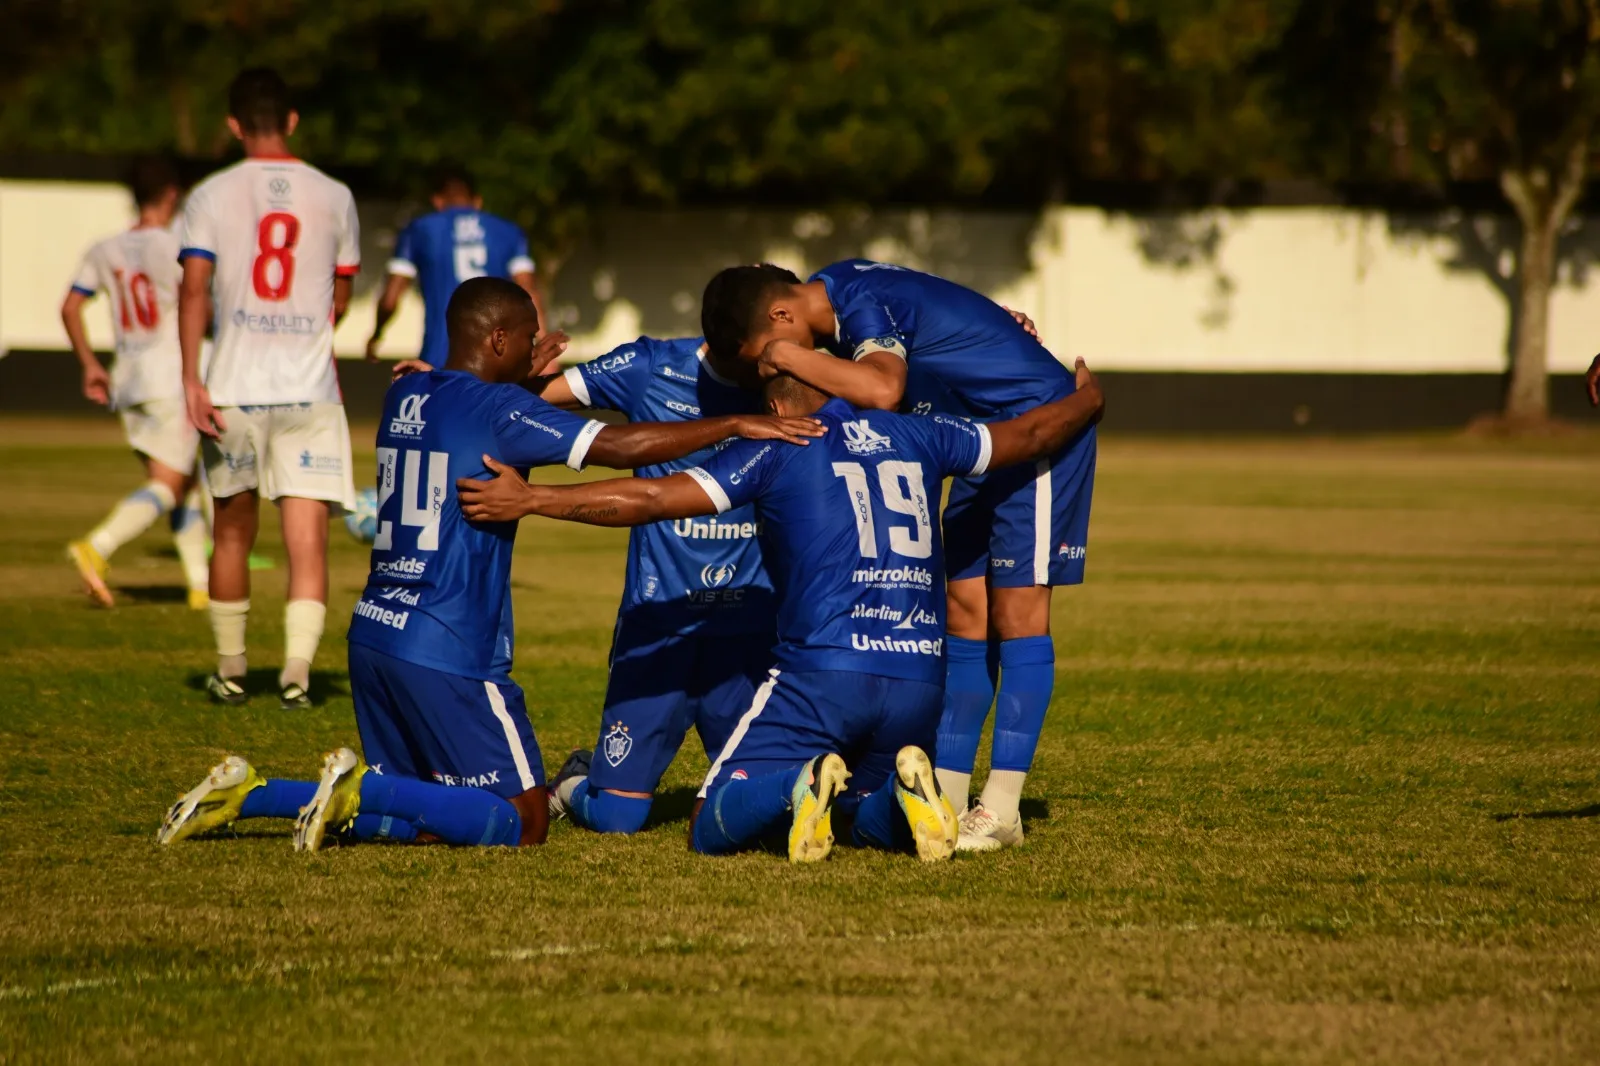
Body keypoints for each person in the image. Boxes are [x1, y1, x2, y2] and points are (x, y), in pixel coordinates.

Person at [157, 277, 825, 851]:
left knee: (425, 812)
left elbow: (484, 402)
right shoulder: (498, 407)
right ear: (501, 341)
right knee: (523, 821)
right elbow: (618, 447)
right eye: (529, 339)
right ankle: (338, 789)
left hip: (375, 634)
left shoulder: (407, 394)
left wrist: (527, 376)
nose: (539, 350)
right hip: (448, 644)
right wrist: (733, 427)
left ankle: (256, 794)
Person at [456, 359, 1103, 863]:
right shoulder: (919, 432)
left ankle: (798, 781)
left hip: (825, 675)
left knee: (711, 823)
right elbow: (1030, 433)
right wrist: (1087, 401)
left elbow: (651, 498)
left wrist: (535, 497)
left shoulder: (778, 443)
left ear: (771, 405)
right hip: (917, 680)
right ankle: (906, 795)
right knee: (858, 814)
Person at [700, 260, 1096, 851]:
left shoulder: (852, 299)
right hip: (977, 428)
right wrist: (999, 329)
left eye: (761, 355)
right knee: (964, 610)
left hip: (1039, 421)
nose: (767, 369)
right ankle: (951, 797)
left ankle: (1004, 808)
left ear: (783, 318)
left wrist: (784, 357)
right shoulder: (843, 308)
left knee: (1019, 614)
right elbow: (934, 319)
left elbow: (883, 389)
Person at [507, 335, 777, 835]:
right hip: (658, 631)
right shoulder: (650, 365)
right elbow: (534, 399)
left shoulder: (792, 381)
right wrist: (443, 381)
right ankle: (574, 779)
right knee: (617, 817)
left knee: (760, 808)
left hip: (752, 636)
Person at [178, 67, 361, 710]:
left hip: (232, 389)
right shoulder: (335, 194)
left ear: (232, 125)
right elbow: (340, 292)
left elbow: (193, 289)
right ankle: (297, 676)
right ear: (292, 120)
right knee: (306, 540)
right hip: (310, 390)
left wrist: (189, 381)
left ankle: (231, 671)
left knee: (231, 535)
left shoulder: (208, 195)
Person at [62, 157, 210, 610]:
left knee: (180, 484)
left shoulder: (104, 248)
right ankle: (97, 545)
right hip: (170, 375)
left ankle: (200, 587)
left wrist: (89, 364)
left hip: (127, 379)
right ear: (170, 194)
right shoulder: (176, 246)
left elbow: (69, 307)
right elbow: (198, 296)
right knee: (171, 482)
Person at [365, 164, 546, 367]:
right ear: (477, 201)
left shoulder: (420, 230)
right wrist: (543, 344)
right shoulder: (508, 231)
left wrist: (377, 332)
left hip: (440, 357)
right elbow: (529, 290)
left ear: (438, 201)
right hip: (496, 360)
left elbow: (390, 299)